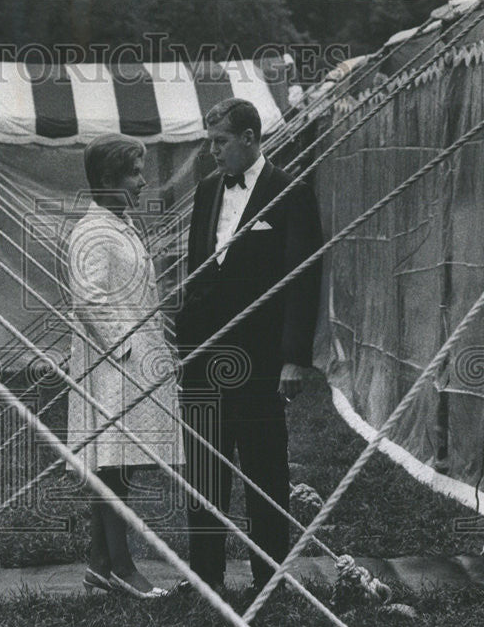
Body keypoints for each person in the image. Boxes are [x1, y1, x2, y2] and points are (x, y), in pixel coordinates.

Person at [175, 98, 323, 594]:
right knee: (204, 469)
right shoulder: (205, 191)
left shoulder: (290, 192)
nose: (212, 152)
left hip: (260, 357)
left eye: (220, 142)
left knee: (264, 470)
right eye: (209, 141)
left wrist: (293, 358)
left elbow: (305, 278)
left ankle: (269, 579)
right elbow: (198, 269)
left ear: (251, 138)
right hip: (204, 356)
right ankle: (206, 578)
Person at [64, 134, 184, 599]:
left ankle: (100, 563)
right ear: (108, 180)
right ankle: (122, 567)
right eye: (134, 174)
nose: (142, 182)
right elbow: (88, 299)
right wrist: (128, 347)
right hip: (110, 364)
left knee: (117, 464)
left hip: (129, 361)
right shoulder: (92, 232)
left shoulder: (121, 224)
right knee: (112, 465)